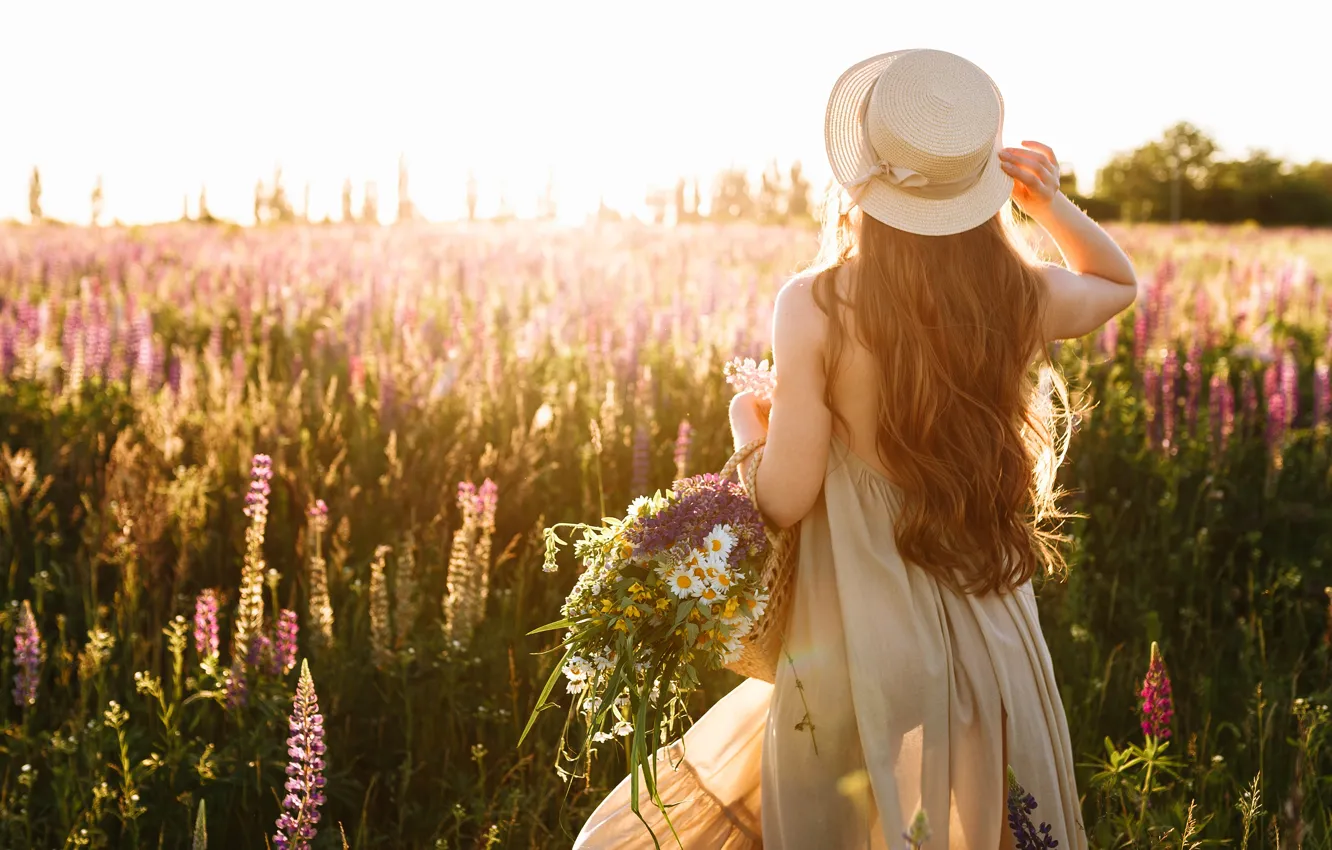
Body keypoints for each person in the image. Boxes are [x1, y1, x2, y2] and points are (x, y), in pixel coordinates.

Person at [575, 48, 1137, 849]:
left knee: (846, 819)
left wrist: (746, 422)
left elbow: (784, 496)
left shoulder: (815, 303)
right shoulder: (1017, 296)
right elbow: (1116, 285)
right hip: (988, 624)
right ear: (979, 185)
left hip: (854, 626)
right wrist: (1048, 203)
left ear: (865, 180)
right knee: (985, 821)